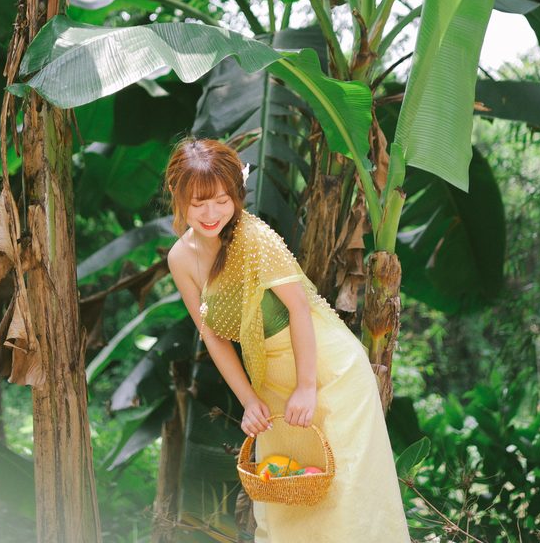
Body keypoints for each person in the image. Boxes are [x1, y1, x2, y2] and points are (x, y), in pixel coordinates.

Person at [164, 138, 411, 543]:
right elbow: (212, 336)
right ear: (178, 197)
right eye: (198, 203)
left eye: (222, 201)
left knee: (345, 505)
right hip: (270, 379)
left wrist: (307, 387)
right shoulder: (180, 258)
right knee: (286, 509)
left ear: (236, 196)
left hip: (326, 371)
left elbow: (298, 309)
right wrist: (249, 401)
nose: (211, 214)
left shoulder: (254, 236)